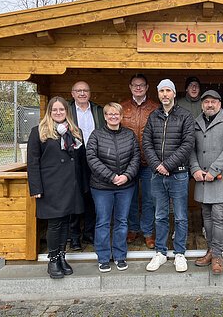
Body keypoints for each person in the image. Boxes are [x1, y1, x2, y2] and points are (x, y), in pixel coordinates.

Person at [27, 97, 87, 279]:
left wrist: (83, 185)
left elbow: (81, 161)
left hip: (70, 185)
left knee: (66, 223)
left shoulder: (75, 132)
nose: (58, 113)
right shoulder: (38, 131)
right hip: (51, 185)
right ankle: (52, 260)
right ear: (49, 112)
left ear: (67, 112)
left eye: (62, 110)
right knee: (54, 224)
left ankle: (62, 256)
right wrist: (36, 187)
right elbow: (32, 162)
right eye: (55, 110)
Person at [143, 79, 195, 272]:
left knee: (181, 216)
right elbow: (146, 143)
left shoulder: (185, 116)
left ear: (174, 93)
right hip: (157, 175)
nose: (165, 94)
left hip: (179, 174)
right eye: (162, 91)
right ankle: (161, 252)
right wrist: (158, 165)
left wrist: (168, 165)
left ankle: (180, 253)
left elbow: (187, 144)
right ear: (158, 94)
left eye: (168, 91)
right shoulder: (153, 116)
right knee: (160, 215)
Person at [86, 102, 140, 272]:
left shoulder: (129, 135)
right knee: (102, 221)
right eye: (110, 114)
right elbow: (92, 159)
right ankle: (103, 257)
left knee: (121, 221)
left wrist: (126, 176)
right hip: (102, 187)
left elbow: (136, 157)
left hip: (125, 186)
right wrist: (111, 176)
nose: (113, 116)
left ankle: (119, 255)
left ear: (121, 116)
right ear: (105, 116)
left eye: (116, 114)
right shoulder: (96, 135)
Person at [190, 90, 223, 274]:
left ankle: (217, 255)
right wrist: (194, 169)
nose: (210, 105)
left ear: (219, 103)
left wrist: (213, 170)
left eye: (213, 102)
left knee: (219, 217)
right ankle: (210, 251)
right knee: (207, 217)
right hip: (201, 179)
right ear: (202, 104)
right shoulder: (196, 122)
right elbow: (191, 149)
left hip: (219, 178)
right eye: (206, 102)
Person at [120, 74, 158, 249]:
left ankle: (148, 232)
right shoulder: (123, 108)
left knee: (150, 198)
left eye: (141, 85)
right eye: (135, 85)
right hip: (128, 162)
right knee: (131, 198)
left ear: (147, 87)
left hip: (150, 161)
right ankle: (133, 229)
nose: (138, 88)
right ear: (129, 87)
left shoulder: (155, 108)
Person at [68, 81, 105, 251]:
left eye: (85, 90)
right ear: (73, 93)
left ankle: (89, 232)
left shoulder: (97, 110)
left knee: (93, 197)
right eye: (78, 91)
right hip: (73, 159)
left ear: (90, 93)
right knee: (75, 197)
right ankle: (74, 236)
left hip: (96, 158)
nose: (82, 93)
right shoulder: (66, 110)